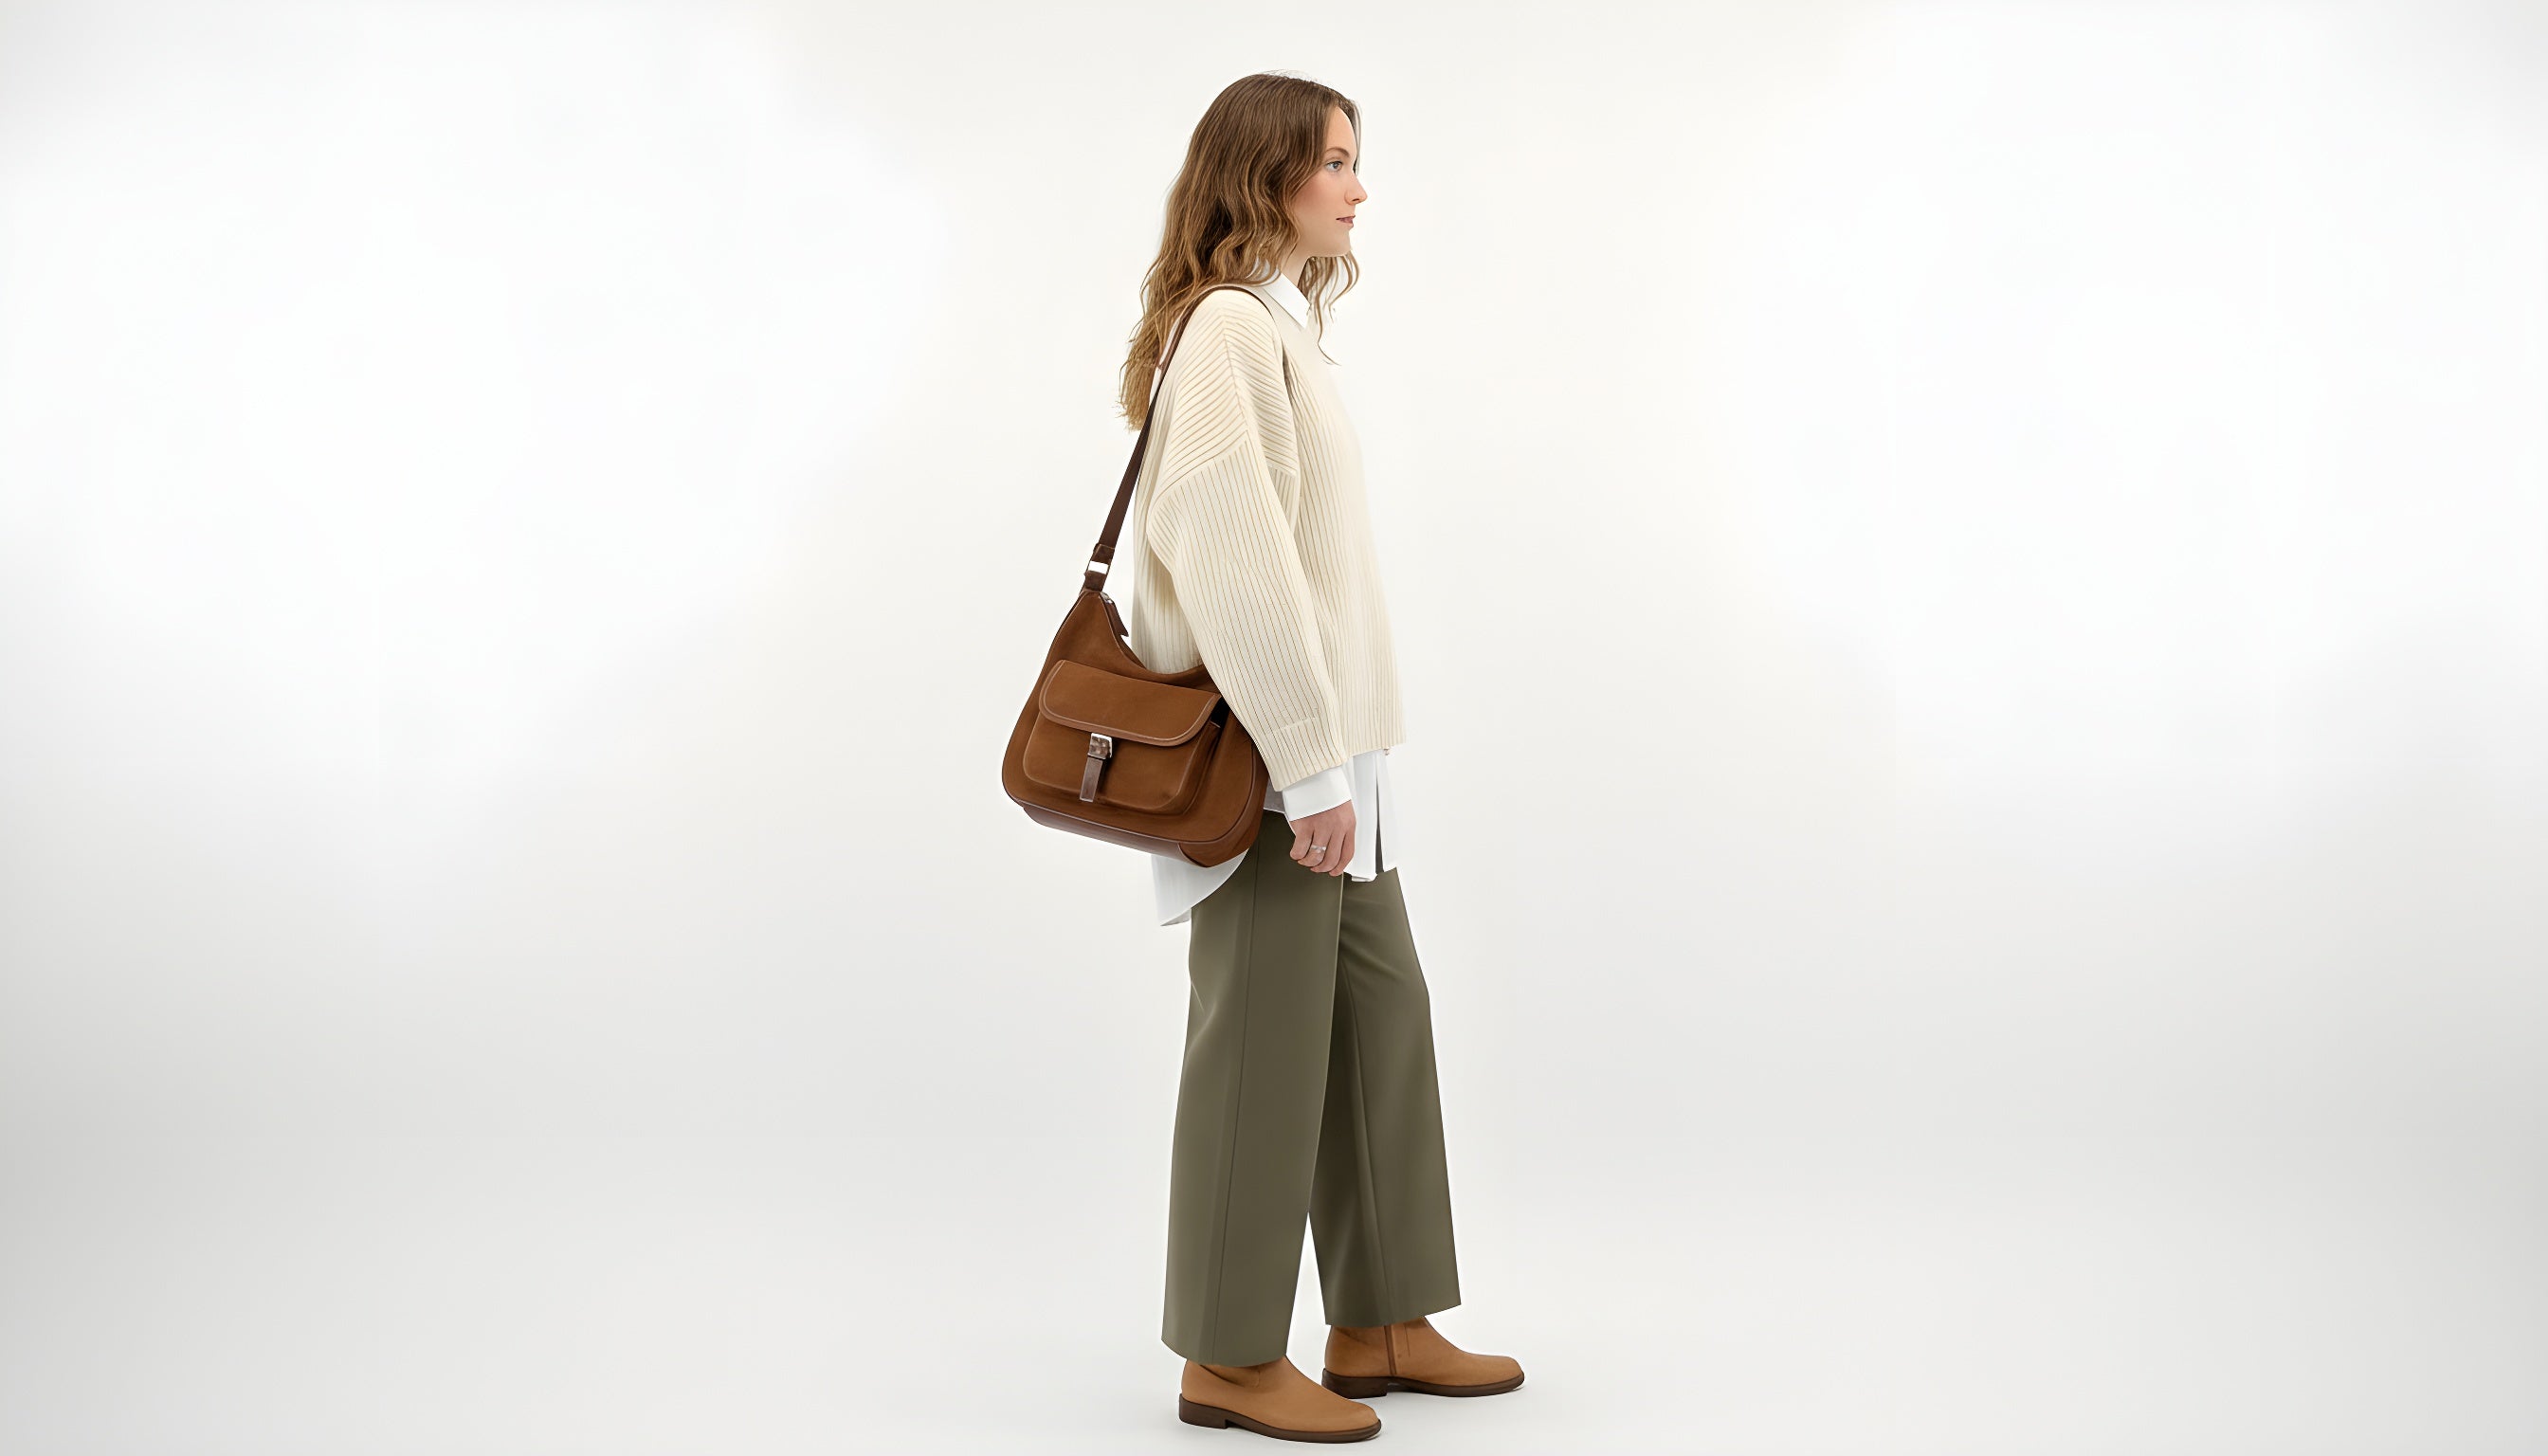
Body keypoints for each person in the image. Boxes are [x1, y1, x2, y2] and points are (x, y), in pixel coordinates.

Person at [1113, 72, 1525, 1443]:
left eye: (1358, 159)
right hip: (1274, 771)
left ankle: (1385, 1315)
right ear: (1268, 176)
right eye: (1338, 160)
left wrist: (1348, 760)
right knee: (1263, 1048)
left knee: (1377, 1017)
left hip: (1335, 758)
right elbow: (1236, 564)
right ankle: (1229, 1355)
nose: (1360, 185)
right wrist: (1309, 767)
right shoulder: (1228, 333)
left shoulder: (1279, 331)